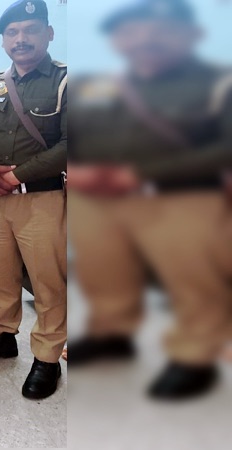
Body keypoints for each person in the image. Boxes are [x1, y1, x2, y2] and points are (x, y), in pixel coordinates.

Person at [67, 0, 232, 399]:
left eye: (160, 30)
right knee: (102, 269)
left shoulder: (219, 83)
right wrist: (74, 169)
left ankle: (195, 354)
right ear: (118, 41)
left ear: (191, 34)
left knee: (192, 277)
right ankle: (111, 333)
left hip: (182, 196)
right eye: (132, 31)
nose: (145, 39)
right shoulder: (96, 85)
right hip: (99, 198)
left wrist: (140, 174)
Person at [0, 0, 67, 400]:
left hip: (42, 198)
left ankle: (48, 356)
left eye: (30, 30)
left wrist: (17, 175)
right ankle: (3, 336)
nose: (21, 39)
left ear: (48, 34)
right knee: (0, 274)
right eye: (12, 32)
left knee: (47, 280)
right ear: (4, 40)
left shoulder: (66, 82)